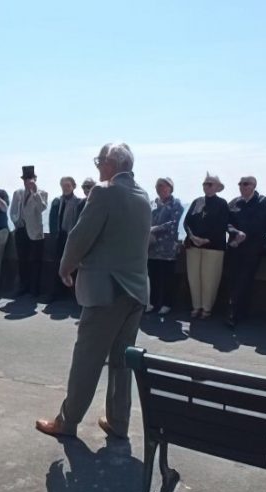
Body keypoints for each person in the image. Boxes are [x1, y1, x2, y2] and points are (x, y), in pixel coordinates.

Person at [35, 142, 150, 439]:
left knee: (87, 358)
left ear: (111, 165)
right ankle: (119, 421)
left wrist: (64, 267)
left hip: (106, 292)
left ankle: (67, 421)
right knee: (122, 360)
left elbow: (80, 236)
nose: (97, 166)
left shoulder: (104, 192)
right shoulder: (142, 196)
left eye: (100, 161)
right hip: (136, 292)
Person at [225, 175, 266, 327]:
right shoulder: (233, 203)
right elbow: (226, 222)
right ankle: (236, 312)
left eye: (246, 184)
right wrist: (235, 233)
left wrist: (245, 235)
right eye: (240, 184)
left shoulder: (263, 202)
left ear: (254, 185)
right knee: (233, 280)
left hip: (253, 248)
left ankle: (235, 314)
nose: (242, 186)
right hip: (234, 247)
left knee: (245, 280)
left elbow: (263, 223)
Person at [183, 173, 229, 319]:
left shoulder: (222, 203)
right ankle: (196, 306)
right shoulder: (197, 201)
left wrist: (207, 239)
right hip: (194, 246)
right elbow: (187, 222)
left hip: (213, 247)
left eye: (210, 184)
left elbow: (222, 224)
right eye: (205, 184)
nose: (206, 186)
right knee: (194, 277)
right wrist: (192, 237)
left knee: (210, 278)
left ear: (217, 187)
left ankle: (206, 308)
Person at [9, 165, 48, 297]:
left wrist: (34, 193)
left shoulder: (42, 193)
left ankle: (34, 288)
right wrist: (16, 221)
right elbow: (13, 210)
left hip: (35, 231)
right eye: (26, 179)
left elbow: (42, 207)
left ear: (35, 179)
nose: (28, 182)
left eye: (30, 179)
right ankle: (23, 286)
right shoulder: (17, 193)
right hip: (21, 230)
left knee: (36, 261)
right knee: (22, 260)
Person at [147, 177, 184, 315]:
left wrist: (154, 229)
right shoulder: (153, 204)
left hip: (168, 248)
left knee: (167, 278)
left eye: (162, 186)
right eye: (157, 186)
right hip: (152, 248)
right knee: (154, 276)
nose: (159, 188)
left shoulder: (176, 204)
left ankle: (167, 304)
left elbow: (173, 223)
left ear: (170, 188)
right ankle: (154, 303)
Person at [46, 176, 82, 302]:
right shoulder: (57, 201)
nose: (65, 188)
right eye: (63, 185)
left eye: (68, 185)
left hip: (70, 236)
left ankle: (73, 294)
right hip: (59, 236)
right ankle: (56, 293)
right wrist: (53, 234)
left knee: (71, 265)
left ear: (73, 186)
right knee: (56, 264)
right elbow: (52, 219)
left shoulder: (78, 202)